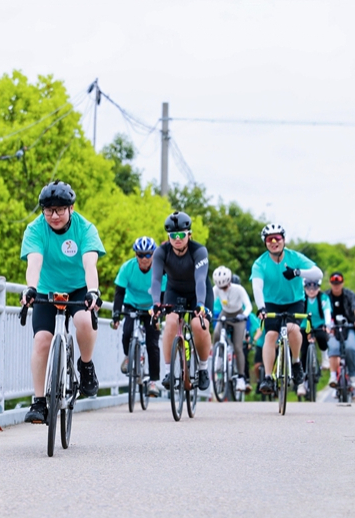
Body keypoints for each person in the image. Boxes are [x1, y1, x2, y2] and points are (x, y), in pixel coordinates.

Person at [19, 181, 106, 424]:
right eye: (48, 210)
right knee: (41, 340)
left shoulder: (85, 228)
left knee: (85, 321)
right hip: (46, 289)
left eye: (59, 210)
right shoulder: (35, 229)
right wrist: (31, 288)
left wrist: (93, 291)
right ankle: (39, 401)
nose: (54, 216)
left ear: (71, 209)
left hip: (79, 288)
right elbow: (34, 262)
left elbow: (90, 263)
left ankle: (86, 366)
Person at [250, 223, 323, 396]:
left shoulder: (294, 257)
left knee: (293, 329)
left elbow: (318, 273)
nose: (274, 242)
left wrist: (297, 272)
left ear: (283, 240)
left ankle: (296, 362)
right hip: (270, 303)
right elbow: (257, 287)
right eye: (270, 239)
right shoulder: (260, 263)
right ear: (265, 242)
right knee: (270, 335)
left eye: (277, 238)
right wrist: (261, 308)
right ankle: (268, 377)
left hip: (294, 301)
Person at [150, 211, 214, 391]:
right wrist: (156, 303)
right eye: (173, 236)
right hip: (174, 291)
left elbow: (200, 280)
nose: (177, 239)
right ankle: (169, 372)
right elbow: (156, 280)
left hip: (198, 292)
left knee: (198, 325)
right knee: (170, 321)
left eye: (181, 235)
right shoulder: (161, 252)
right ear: (168, 237)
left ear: (189, 234)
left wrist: (200, 304)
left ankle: (203, 369)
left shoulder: (199, 251)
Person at [112, 236, 163, 398]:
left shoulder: (160, 269)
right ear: (136, 255)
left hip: (152, 306)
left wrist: (159, 312)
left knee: (152, 343)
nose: (144, 259)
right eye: (140, 255)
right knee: (127, 331)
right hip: (132, 303)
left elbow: (163, 293)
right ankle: (128, 356)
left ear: (153, 254)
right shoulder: (127, 268)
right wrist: (116, 315)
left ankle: (153, 382)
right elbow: (119, 293)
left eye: (148, 255)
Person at [211, 266, 252, 392]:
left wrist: (244, 315)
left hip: (238, 315)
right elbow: (210, 301)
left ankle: (241, 377)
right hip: (225, 313)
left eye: (225, 287)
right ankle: (218, 357)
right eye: (220, 287)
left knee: (238, 346)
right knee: (216, 333)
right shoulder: (216, 289)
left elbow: (248, 306)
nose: (223, 289)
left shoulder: (238, 289)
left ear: (229, 282)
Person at [325, 271, 355, 392]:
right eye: (334, 283)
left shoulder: (349, 295)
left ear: (343, 283)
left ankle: (353, 375)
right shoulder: (325, 296)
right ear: (330, 283)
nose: (336, 286)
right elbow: (321, 310)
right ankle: (333, 376)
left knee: (350, 348)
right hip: (332, 328)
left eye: (338, 283)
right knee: (333, 347)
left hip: (349, 327)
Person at [297, 277, 332, 396]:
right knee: (303, 351)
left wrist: (327, 325)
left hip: (319, 325)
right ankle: (301, 383)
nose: (311, 291)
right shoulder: (302, 298)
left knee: (322, 336)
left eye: (314, 288)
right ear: (305, 288)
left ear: (319, 288)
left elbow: (327, 312)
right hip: (304, 325)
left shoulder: (323, 298)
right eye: (308, 288)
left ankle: (325, 358)